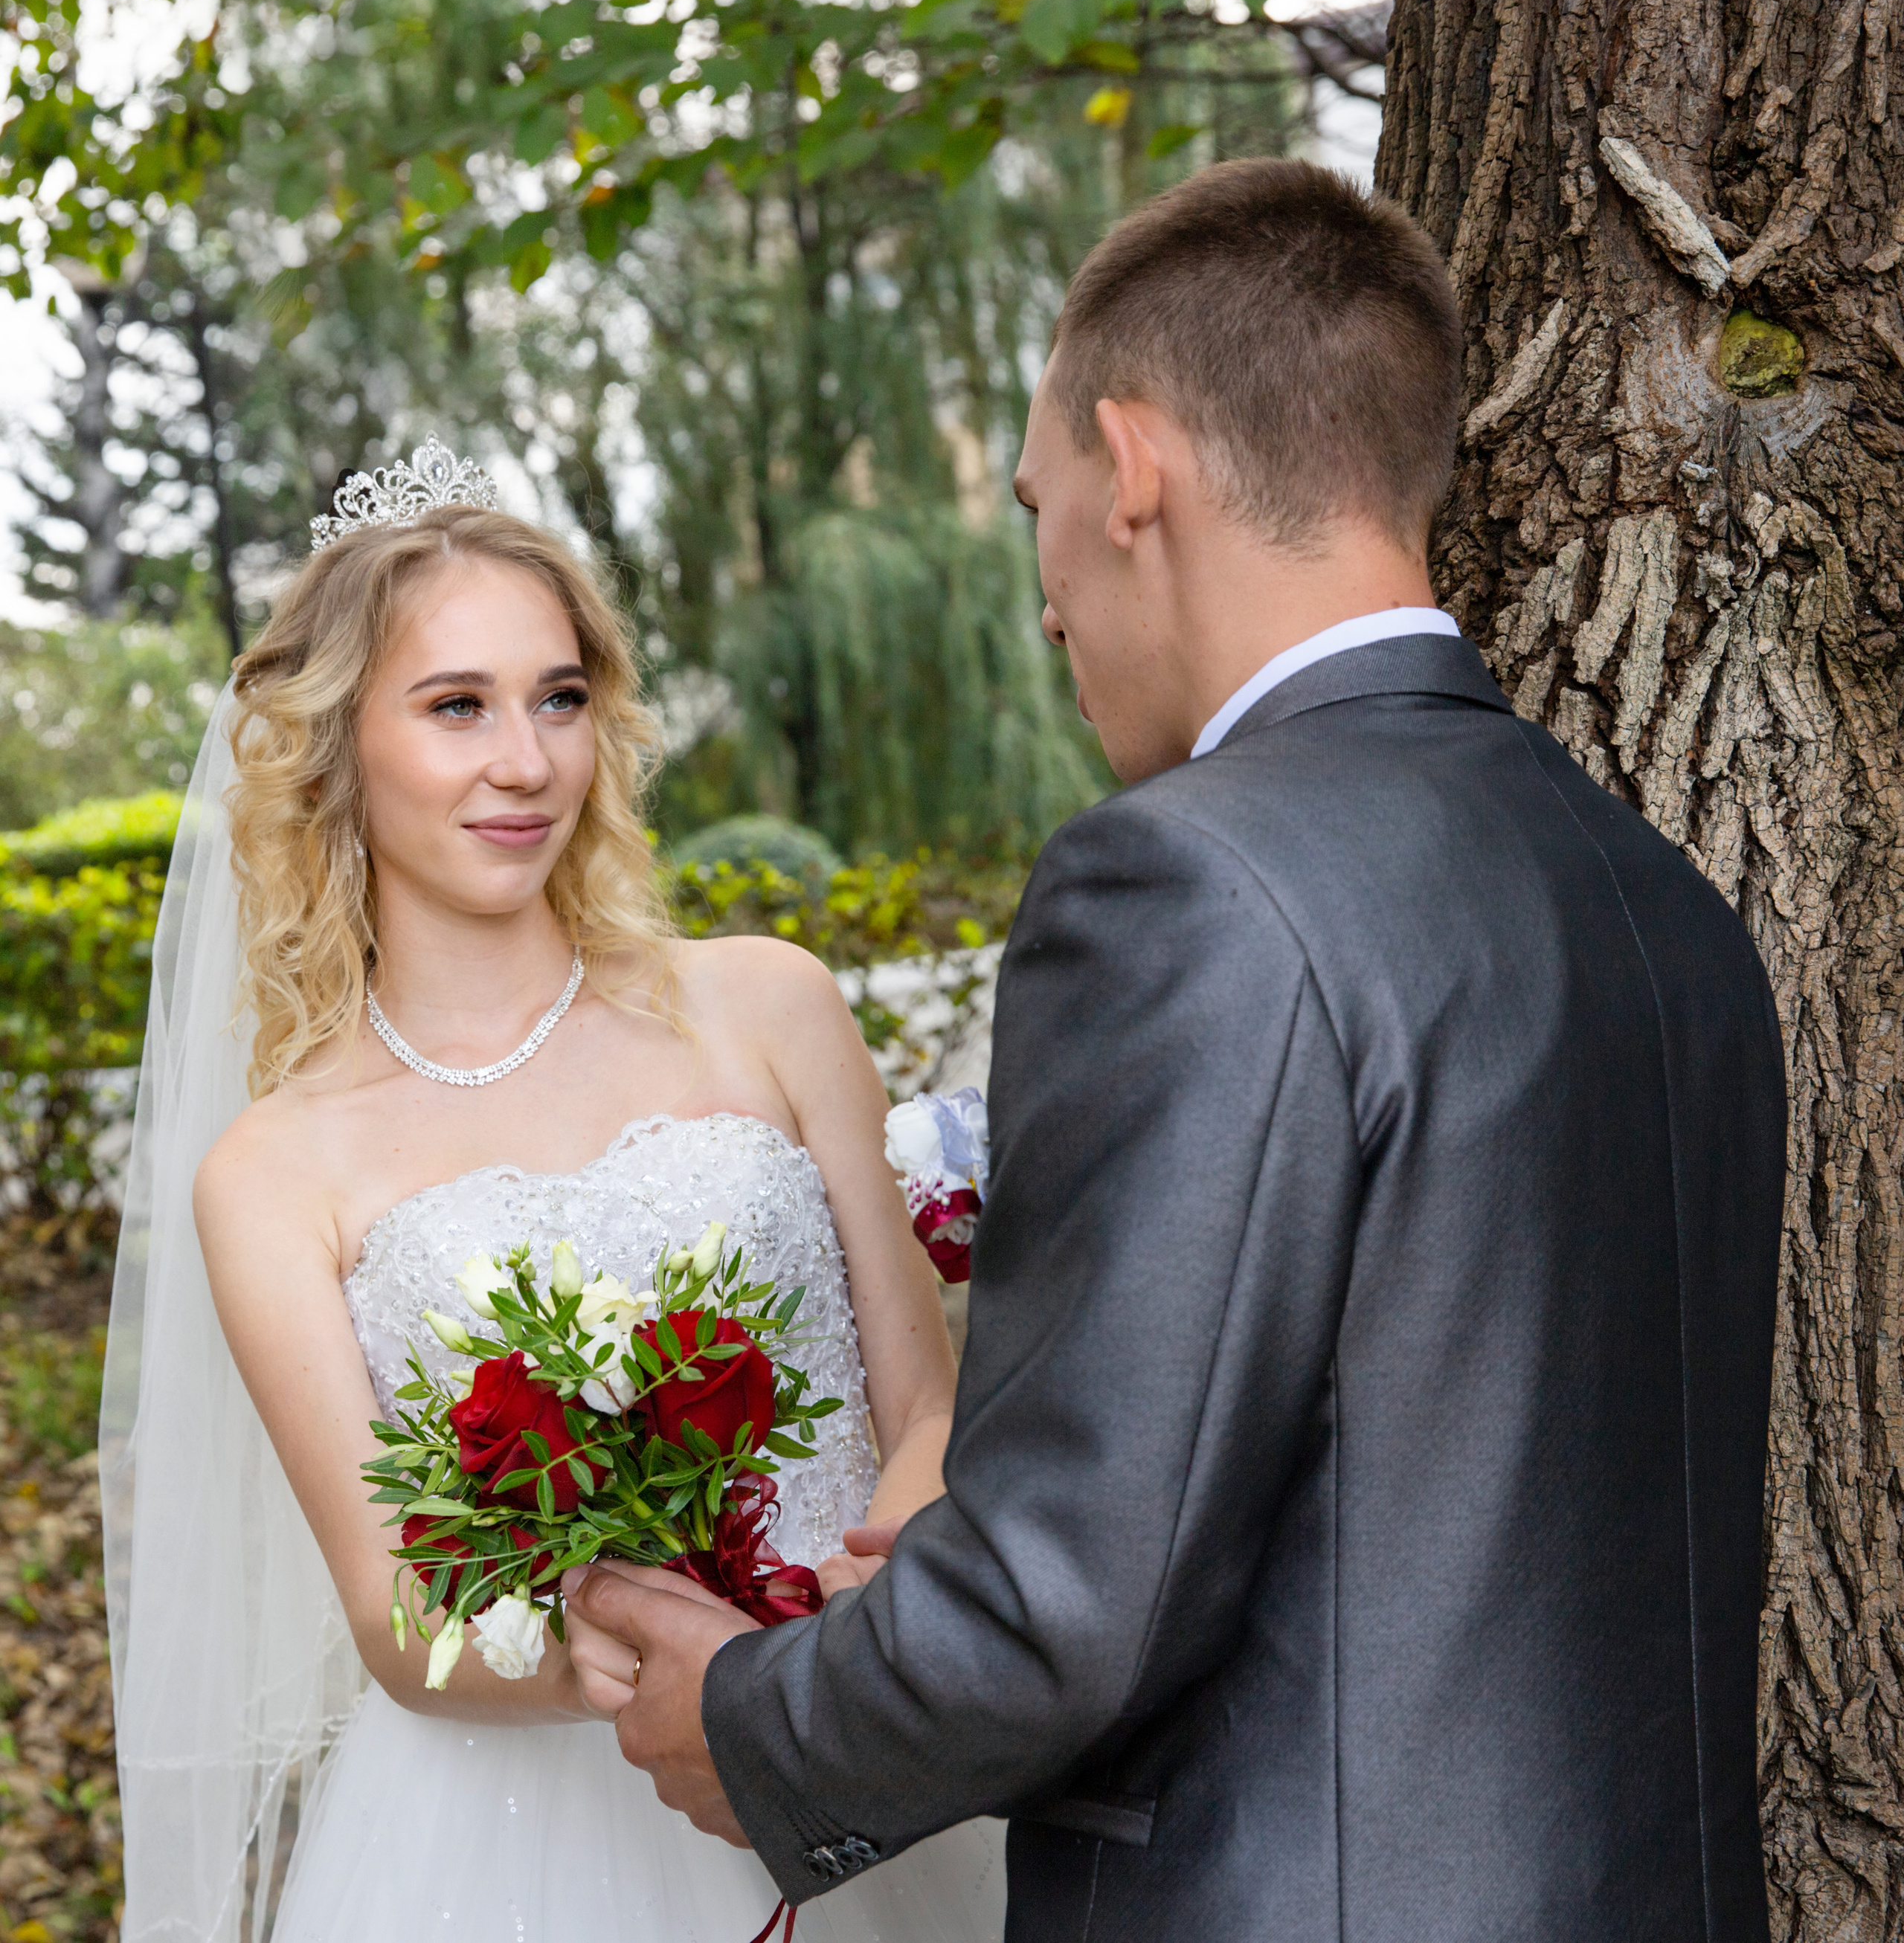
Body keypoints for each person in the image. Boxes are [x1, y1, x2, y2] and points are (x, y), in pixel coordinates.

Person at [563, 158, 1788, 1941]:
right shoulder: (1664, 907)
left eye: (1034, 508)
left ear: (1131, 470)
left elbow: (1063, 1603)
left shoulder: (1184, 879)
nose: (1046, 604)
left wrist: (747, 1723)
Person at [99, 456, 1006, 1942]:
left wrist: (839, 1634)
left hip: (874, 1752)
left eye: (560, 697)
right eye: (455, 705)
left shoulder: (767, 1005)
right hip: (509, 1852)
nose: (525, 761)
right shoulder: (274, 1170)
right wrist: (673, 1659)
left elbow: (924, 1401)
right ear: (336, 748)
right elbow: (399, 1619)